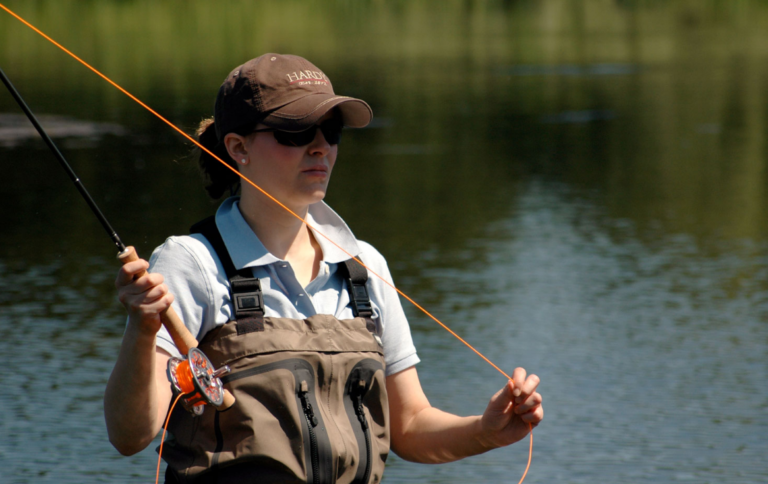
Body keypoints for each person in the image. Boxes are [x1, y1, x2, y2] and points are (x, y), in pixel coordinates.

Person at [104, 53, 543, 483]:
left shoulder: (365, 266)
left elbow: (408, 426)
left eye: (330, 131)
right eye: (294, 133)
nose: (320, 147)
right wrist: (142, 330)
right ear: (238, 148)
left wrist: (485, 432)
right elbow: (131, 436)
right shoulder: (190, 262)